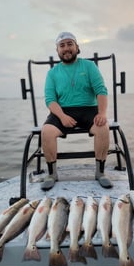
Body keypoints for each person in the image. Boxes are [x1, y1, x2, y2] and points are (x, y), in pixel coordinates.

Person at [41, 32, 113, 191]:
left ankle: (100, 172)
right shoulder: (52, 73)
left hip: (89, 109)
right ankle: (52, 174)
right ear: (57, 50)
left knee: (103, 128)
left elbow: (101, 90)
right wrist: (62, 116)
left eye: (69, 44)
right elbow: (50, 100)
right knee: (46, 131)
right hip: (62, 111)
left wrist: (102, 113)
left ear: (77, 47)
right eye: (62, 46)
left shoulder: (89, 66)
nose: (66, 48)